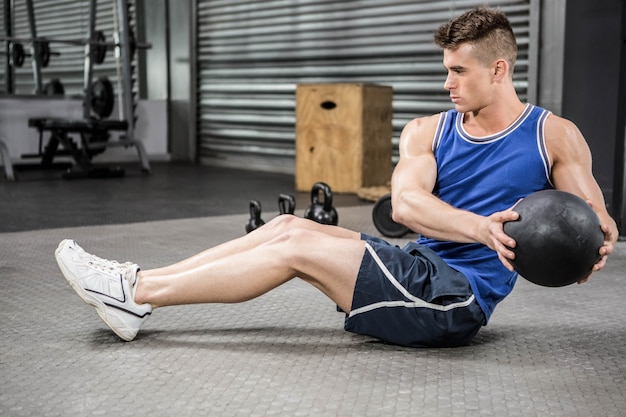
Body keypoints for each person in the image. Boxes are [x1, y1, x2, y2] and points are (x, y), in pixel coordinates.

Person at [55, 7, 618, 347]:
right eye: (444, 69)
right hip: (423, 268)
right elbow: (406, 206)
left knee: (295, 247)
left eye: (458, 71)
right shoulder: (429, 131)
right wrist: (483, 229)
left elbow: (592, 219)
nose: (447, 82)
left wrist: (598, 241)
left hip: (455, 300)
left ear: (498, 69)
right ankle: (136, 285)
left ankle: (137, 295)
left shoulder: (553, 135)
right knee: (281, 228)